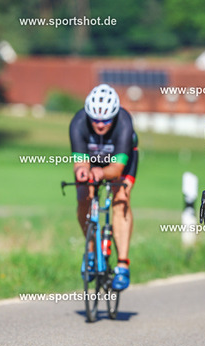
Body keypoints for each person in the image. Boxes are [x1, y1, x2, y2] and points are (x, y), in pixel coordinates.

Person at [69, 84, 138, 290]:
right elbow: (80, 163)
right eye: (95, 120)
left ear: (114, 116)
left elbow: (116, 169)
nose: (100, 125)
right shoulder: (78, 123)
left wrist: (101, 172)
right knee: (83, 194)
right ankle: (91, 251)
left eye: (106, 120)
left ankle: (122, 264)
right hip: (92, 160)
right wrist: (82, 172)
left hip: (121, 161)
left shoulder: (124, 122)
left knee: (121, 198)